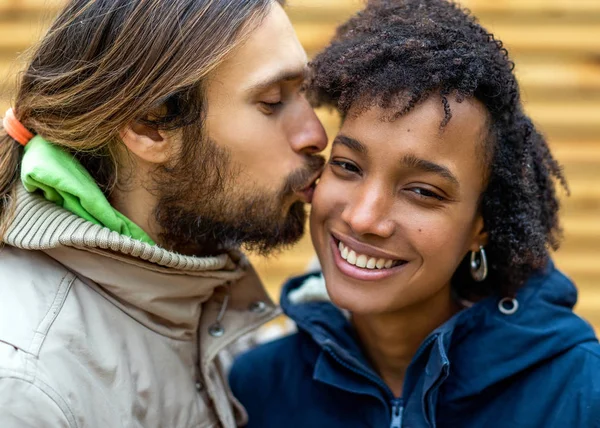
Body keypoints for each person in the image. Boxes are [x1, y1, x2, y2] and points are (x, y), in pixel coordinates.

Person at [229, 1, 600, 427]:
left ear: (481, 226)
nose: (365, 218)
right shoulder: (257, 389)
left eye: (423, 192)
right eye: (348, 165)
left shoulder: (579, 393)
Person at [0, 0, 327, 427]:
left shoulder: (192, 286)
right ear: (148, 126)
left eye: (304, 92)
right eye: (271, 101)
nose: (316, 134)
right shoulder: (29, 386)